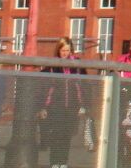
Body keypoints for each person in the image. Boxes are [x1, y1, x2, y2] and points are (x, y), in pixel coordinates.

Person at [40, 39, 83, 168]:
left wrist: (83, 105)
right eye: (63, 50)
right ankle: (54, 162)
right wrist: (43, 107)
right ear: (58, 50)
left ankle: (63, 162)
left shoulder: (77, 65)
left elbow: (83, 86)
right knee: (56, 135)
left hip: (71, 106)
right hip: (55, 107)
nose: (65, 53)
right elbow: (44, 87)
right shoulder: (53, 65)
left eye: (68, 50)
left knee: (67, 135)